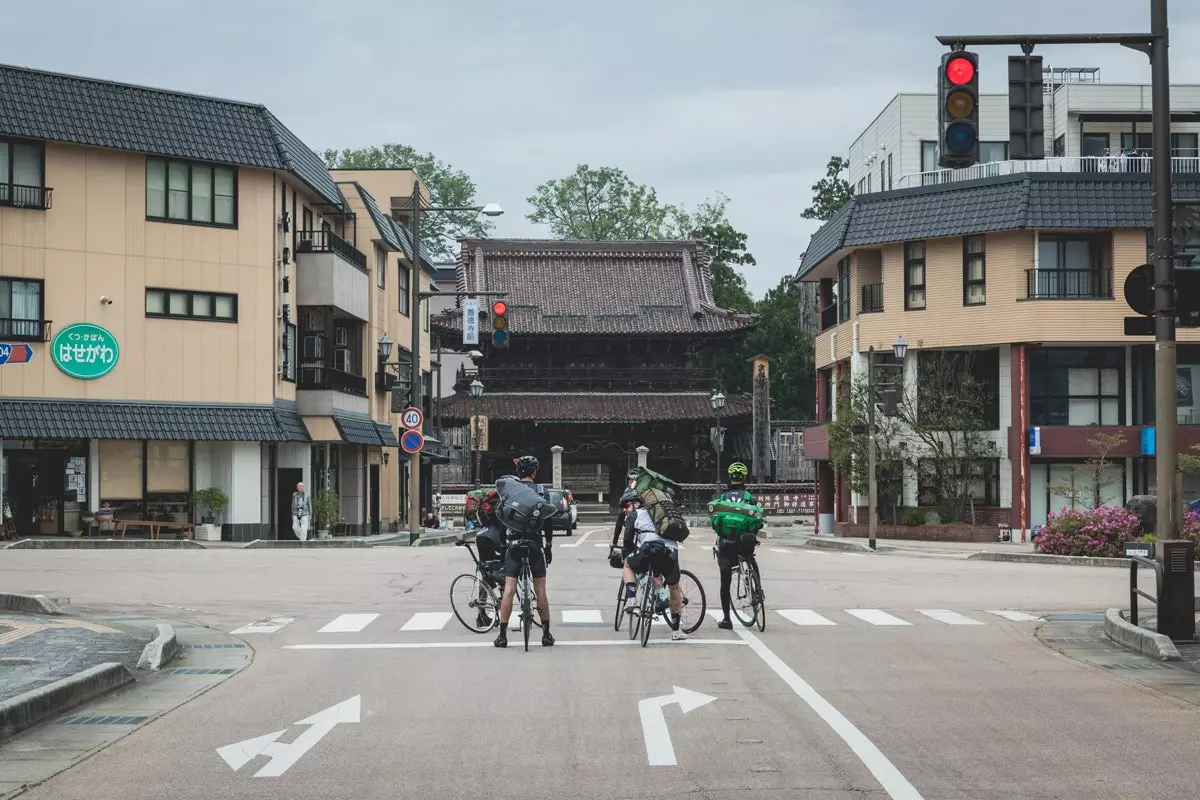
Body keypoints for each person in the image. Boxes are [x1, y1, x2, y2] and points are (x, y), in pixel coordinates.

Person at [494, 455, 555, 648]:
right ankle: (546, 635)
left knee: (509, 589)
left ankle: (502, 636)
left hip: (513, 544)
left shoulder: (511, 490)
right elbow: (548, 519)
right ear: (535, 472)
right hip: (535, 544)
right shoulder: (541, 491)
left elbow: (503, 518)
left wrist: (503, 543)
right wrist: (549, 545)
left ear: (518, 472)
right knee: (540, 590)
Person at [622, 495, 688, 641]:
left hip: (647, 551)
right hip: (669, 553)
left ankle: (632, 598)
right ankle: (676, 630)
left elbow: (627, 538)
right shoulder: (670, 515)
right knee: (674, 587)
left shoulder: (638, 514)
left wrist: (628, 551)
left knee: (628, 564)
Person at [714, 462, 761, 630]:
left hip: (727, 544)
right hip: (744, 543)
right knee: (750, 558)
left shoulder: (723, 498)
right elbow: (757, 519)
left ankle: (727, 619)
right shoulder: (750, 498)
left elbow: (715, 520)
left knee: (725, 581)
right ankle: (758, 591)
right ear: (744, 478)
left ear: (730, 478)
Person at [610, 470, 640, 551]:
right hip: (631, 513)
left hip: (640, 513)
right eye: (631, 480)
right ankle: (615, 542)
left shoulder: (642, 489)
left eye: (634, 480)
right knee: (621, 516)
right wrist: (627, 508)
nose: (632, 482)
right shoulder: (627, 490)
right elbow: (623, 503)